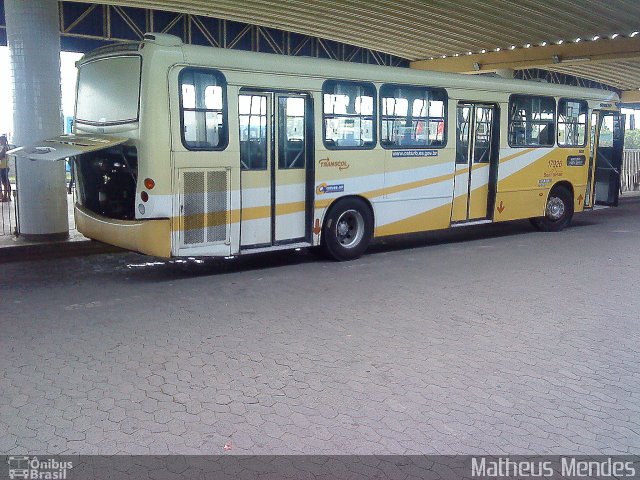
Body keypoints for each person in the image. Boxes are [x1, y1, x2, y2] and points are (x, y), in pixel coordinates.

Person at [0, 135, 10, 202]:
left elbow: (1, 156)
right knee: (4, 182)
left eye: (1, 140)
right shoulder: (3, 147)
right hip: (2, 166)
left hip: (4, 167)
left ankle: (6, 196)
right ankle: (3, 196)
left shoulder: (5, 148)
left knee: (5, 182)